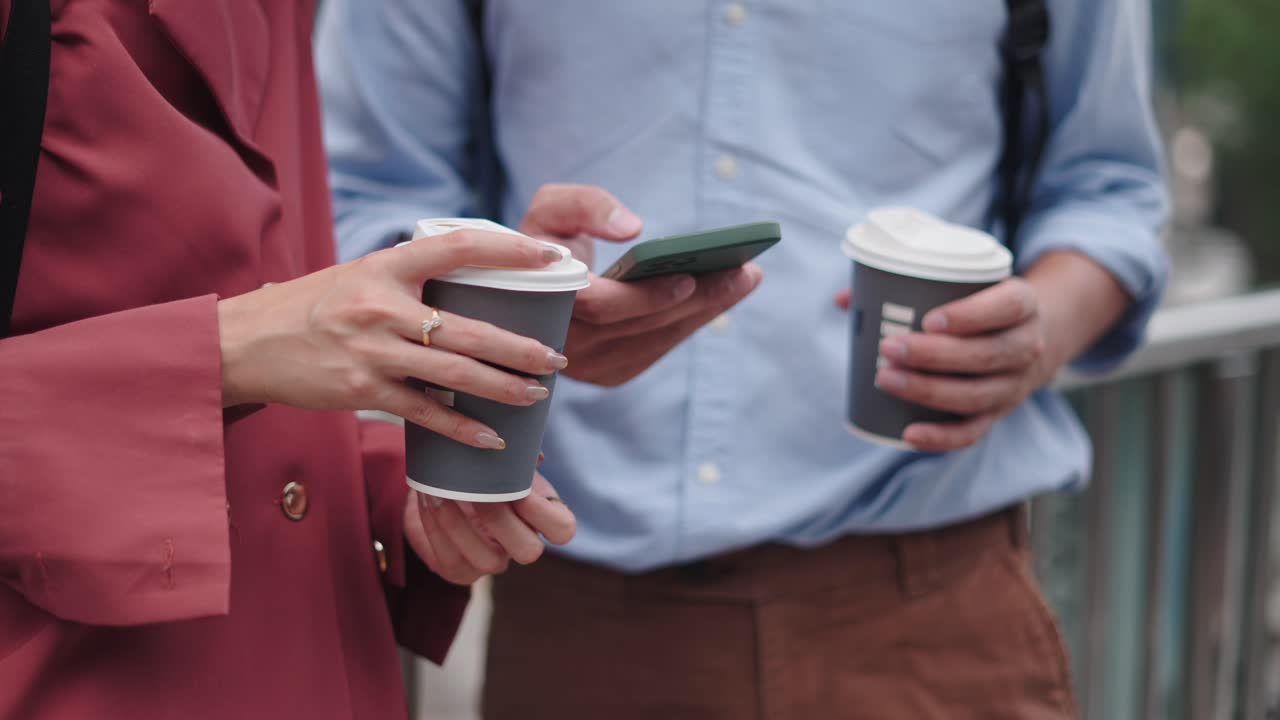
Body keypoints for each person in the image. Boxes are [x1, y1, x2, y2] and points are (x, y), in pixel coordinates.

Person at [317, 1, 1169, 717]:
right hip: (577, 617)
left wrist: (1042, 329)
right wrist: (494, 295)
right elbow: (357, 196)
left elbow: (1111, 191)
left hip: (929, 610)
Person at [0, 2, 627, 717]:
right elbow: (265, 340)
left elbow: (277, 406)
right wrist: (231, 350)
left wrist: (402, 480)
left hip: (318, 662)